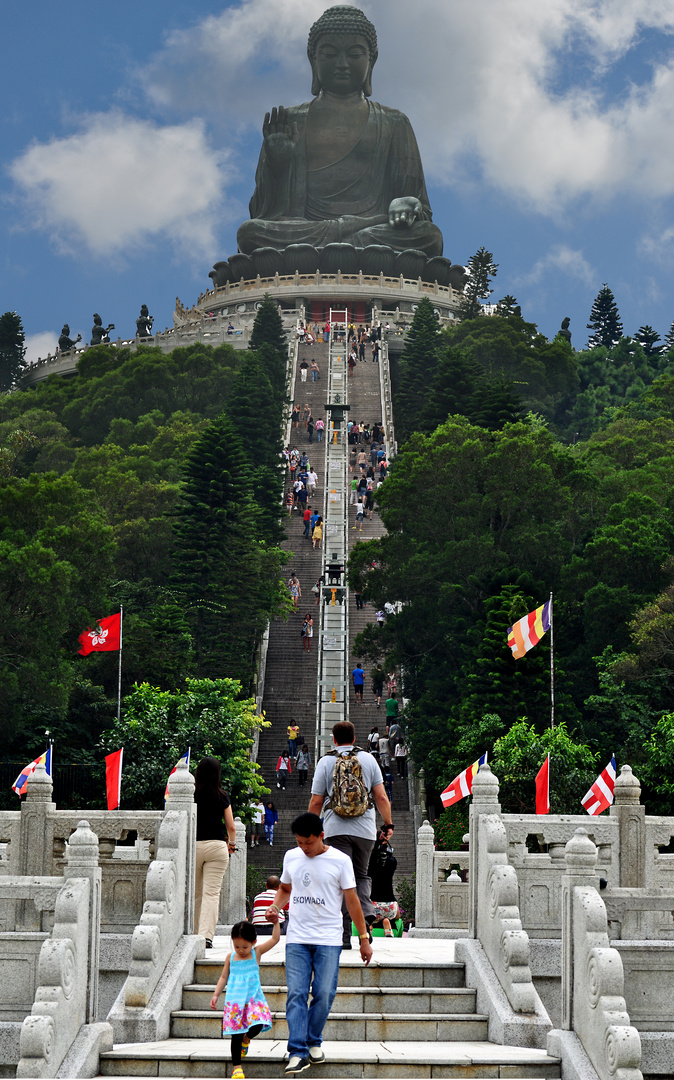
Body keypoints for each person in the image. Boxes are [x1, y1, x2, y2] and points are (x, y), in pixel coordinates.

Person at [265, 812, 372, 1074]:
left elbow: (352, 901)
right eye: (300, 842)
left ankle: (313, 1040)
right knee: (296, 994)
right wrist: (275, 906)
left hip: (328, 938)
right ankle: (297, 1051)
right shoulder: (292, 856)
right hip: (298, 937)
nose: (304, 848)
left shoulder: (340, 860)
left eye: (308, 843)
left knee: (324, 993)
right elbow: (286, 889)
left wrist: (364, 938)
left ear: (321, 836)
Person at [309, 721, 393, 950]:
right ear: (354, 738)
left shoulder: (326, 761)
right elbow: (382, 797)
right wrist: (388, 824)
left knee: (339, 881)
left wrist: (310, 830)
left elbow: (317, 801)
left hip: (335, 830)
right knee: (362, 876)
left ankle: (344, 936)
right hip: (365, 830)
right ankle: (365, 916)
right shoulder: (368, 759)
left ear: (333, 740)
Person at [210, 918, 280, 1079]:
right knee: (235, 1035)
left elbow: (275, 939)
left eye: (245, 946)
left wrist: (276, 923)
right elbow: (223, 977)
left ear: (254, 942)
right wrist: (216, 994)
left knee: (257, 1025)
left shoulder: (257, 953)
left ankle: (247, 1038)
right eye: (236, 946)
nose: (241, 950)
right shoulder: (230, 957)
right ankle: (237, 1068)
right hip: (235, 1002)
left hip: (253, 1000)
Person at [194, 756, 237, 949]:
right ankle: (206, 936)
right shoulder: (222, 795)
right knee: (211, 893)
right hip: (217, 847)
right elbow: (231, 827)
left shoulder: (191, 794)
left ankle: (194, 934)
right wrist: (232, 844)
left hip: (194, 846)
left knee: (196, 893)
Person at [368, 826, 398, 937]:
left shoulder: (369, 862)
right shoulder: (392, 861)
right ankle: (387, 922)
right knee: (394, 910)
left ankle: (370, 925)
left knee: (367, 912)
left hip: (372, 906)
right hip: (390, 907)